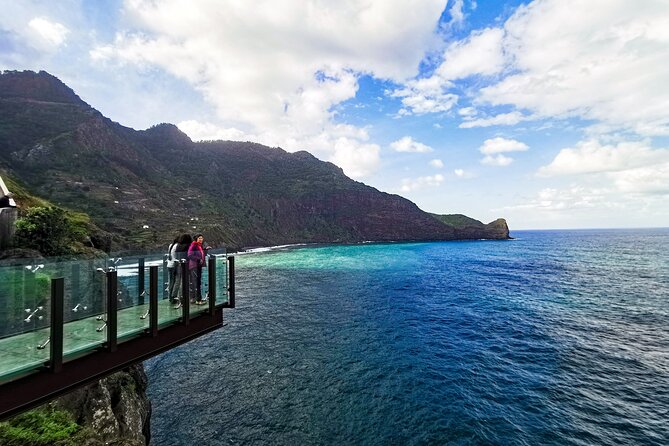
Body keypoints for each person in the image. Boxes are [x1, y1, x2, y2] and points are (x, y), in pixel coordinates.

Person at [172, 233, 192, 309]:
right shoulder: (188, 246)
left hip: (179, 264)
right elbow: (190, 255)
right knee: (185, 282)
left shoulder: (178, 246)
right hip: (186, 265)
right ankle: (183, 298)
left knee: (180, 281)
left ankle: (178, 297)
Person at [187, 233, 206, 305]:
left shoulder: (199, 246)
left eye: (202, 238)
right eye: (199, 238)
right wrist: (198, 259)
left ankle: (195, 298)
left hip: (198, 266)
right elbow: (189, 255)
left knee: (197, 282)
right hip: (194, 266)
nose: (201, 239)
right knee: (196, 283)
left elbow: (200, 253)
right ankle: (198, 299)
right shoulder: (193, 245)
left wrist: (205, 250)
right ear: (196, 239)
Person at [166, 236, 179, 301]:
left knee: (171, 281)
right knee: (174, 281)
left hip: (169, 265)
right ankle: (172, 296)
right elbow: (177, 256)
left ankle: (170, 296)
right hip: (174, 265)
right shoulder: (177, 246)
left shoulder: (171, 245)